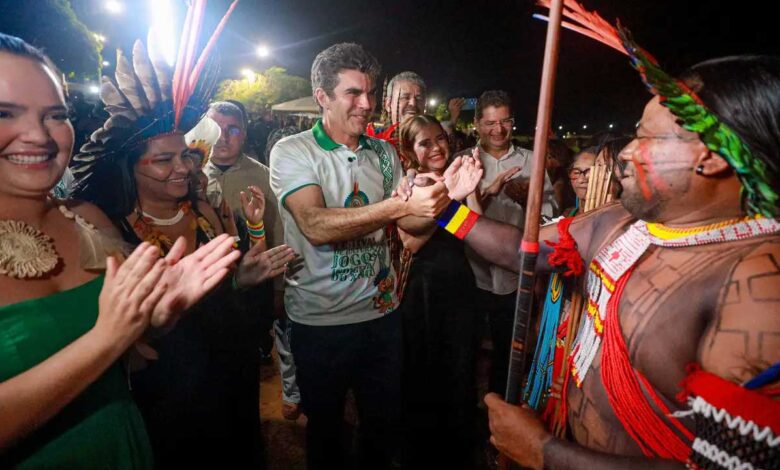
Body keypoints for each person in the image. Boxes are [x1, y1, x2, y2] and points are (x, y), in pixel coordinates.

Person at [436, 45, 780, 470]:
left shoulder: (759, 286)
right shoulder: (620, 220)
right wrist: (444, 210)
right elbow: (520, 250)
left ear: (709, 157)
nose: (627, 152)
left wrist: (544, 451)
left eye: (647, 138)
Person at [0, 32, 239, 468]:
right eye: (5, 113)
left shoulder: (87, 219)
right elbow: (107, 343)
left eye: (56, 115)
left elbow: (133, 362)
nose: (38, 135)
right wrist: (108, 339)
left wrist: (156, 320)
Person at [70, 13, 296, 467]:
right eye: (163, 160)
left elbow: (224, 290)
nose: (183, 168)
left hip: (230, 371)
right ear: (129, 166)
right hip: (166, 386)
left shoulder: (204, 211)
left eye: (187, 156)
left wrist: (244, 277)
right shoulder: (106, 227)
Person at [269, 42, 474, 469]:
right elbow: (315, 224)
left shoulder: (382, 153)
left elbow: (409, 226)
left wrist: (447, 197)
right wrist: (397, 206)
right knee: (326, 433)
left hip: (381, 318)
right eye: (353, 93)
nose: (367, 104)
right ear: (323, 97)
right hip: (319, 321)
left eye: (370, 93)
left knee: (382, 431)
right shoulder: (293, 150)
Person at [395, 115, 483, 469]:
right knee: (424, 369)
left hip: (459, 285)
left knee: (460, 368)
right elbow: (411, 243)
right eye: (425, 143)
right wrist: (449, 195)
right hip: (424, 290)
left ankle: (457, 449)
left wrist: (470, 189)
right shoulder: (412, 185)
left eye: (441, 138)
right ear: (409, 150)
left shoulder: (457, 176)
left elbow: (475, 230)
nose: (436, 147)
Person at [457, 89, 557, 394]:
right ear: (477, 124)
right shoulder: (463, 161)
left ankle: (501, 405)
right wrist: (485, 193)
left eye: (504, 121)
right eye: (489, 123)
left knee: (508, 349)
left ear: (513, 122)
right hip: (472, 273)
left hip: (515, 275)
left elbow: (549, 221)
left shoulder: (532, 161)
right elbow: (452, 218)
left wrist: (528, 200)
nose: (498, 130)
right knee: (465, 348)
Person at [204, 100, 283, 361]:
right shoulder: (187, 175)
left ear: (245, 134)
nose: (223, 138)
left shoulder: (265, 178)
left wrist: (279, 290)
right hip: (204, 294)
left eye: (233, 130)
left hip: (252, 292)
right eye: (216, 129)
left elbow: (279, 234)